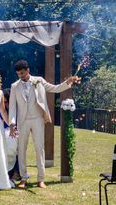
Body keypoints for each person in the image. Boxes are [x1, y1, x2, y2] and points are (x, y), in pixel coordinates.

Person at [8, 59, 79, 188]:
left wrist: (68, 82)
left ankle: (41, 179)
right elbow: (12, 108)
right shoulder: (14, 86)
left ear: (28, 70)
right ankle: (24, 178)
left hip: (37, 119)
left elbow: (55, 88)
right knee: (22, 149)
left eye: (23, 73)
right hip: (22, 121)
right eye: (19, 74)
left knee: (39, 148)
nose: (21, 76)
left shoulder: (39, 81)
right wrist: (12, 124)